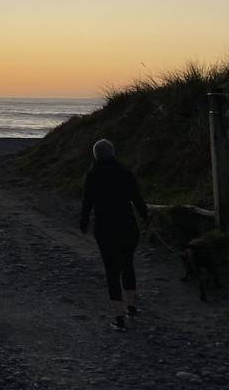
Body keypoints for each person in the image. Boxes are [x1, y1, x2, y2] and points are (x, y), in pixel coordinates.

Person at [80, 138, 148, 332]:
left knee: (111, 268)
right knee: (127, 264)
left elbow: (87, 201)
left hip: (105, 227)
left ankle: (119, 317)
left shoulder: (93, 174)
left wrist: (84, 222)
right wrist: (145, 217)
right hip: (128, 225)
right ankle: (132, 307)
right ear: (113, 153)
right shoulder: (125, 173)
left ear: (96, 156)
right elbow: (137, 198)